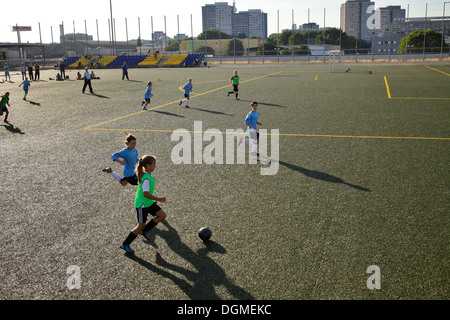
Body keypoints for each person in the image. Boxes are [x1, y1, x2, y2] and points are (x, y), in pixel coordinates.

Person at [120, 155, 167, 254]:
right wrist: (159, 199)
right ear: (148, 165)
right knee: (140, 225)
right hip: (142, 204)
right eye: (154, 164)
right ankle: (125, 244)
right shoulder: (146, 178)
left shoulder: (149, 175)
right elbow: (145, 194)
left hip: (148, 202)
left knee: (161, 215)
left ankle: (145, 230)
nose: (155, 166)